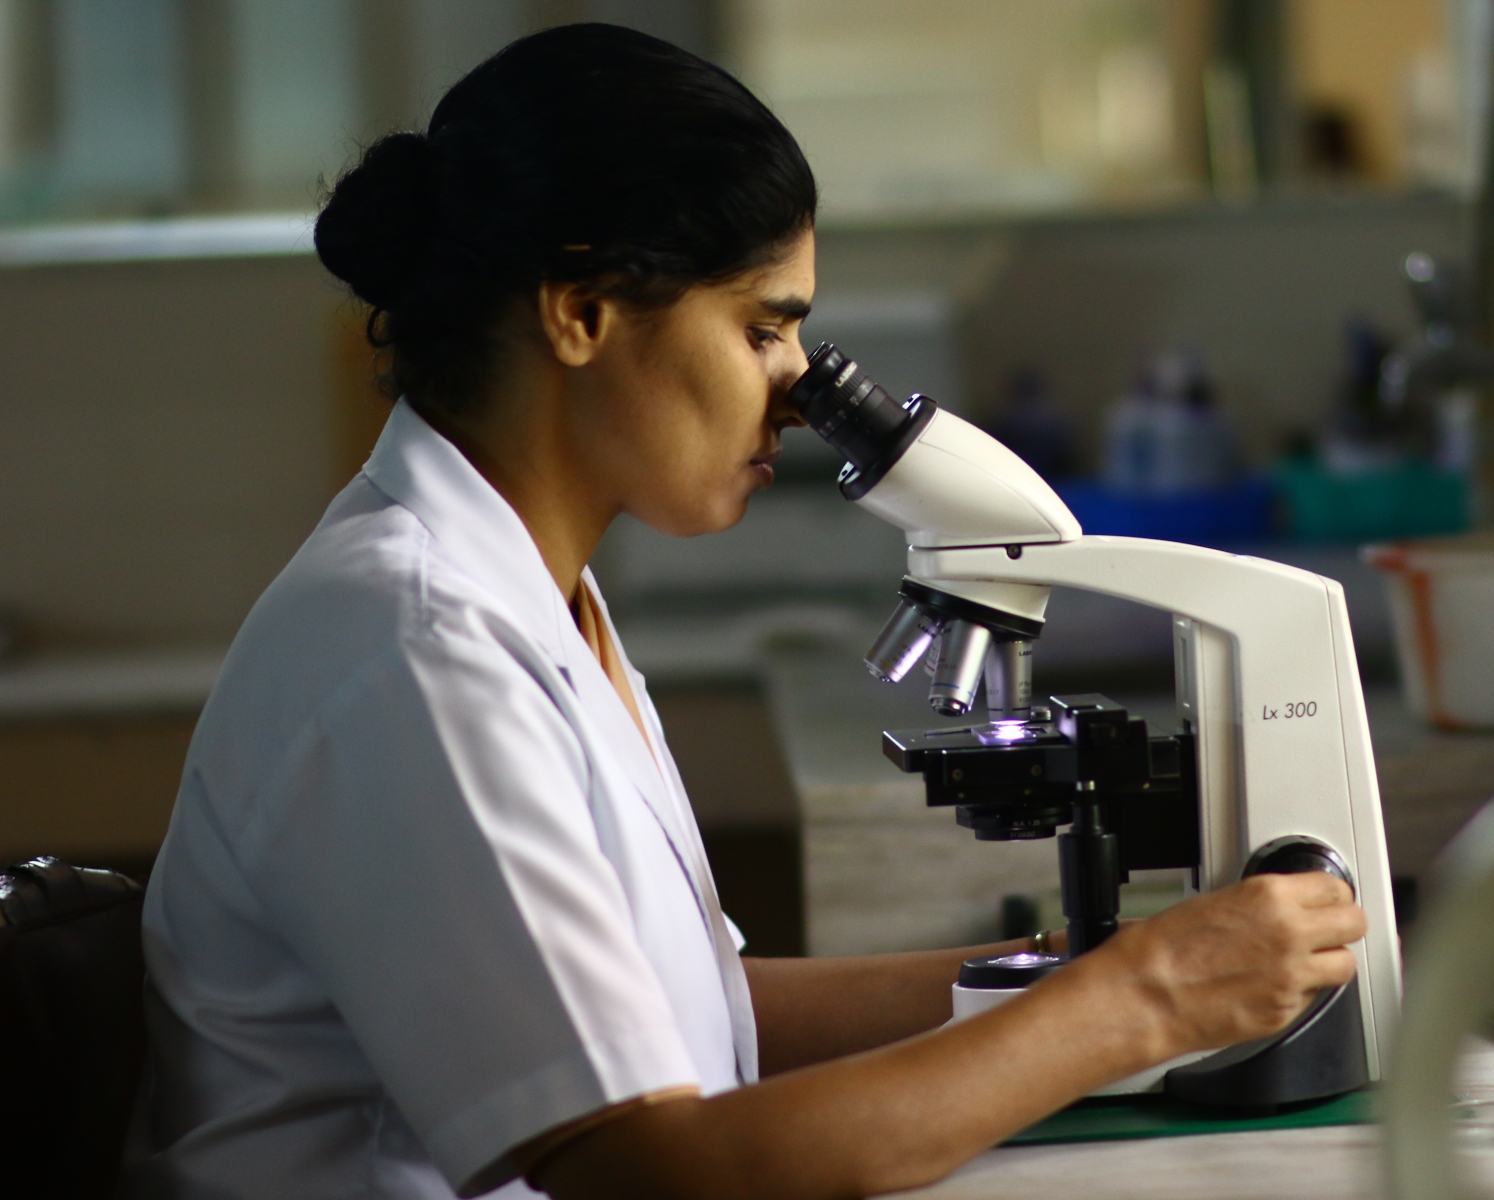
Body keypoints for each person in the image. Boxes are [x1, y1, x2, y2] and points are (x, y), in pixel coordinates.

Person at [122, 24, 1366, 1200]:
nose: (797, 389)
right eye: (764, 327)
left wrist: (1073, 974)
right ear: (581, 311)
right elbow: (656, 1170)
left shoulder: (522, 598)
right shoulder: (415, 645)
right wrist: (1141, 1000)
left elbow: (704, 1016)